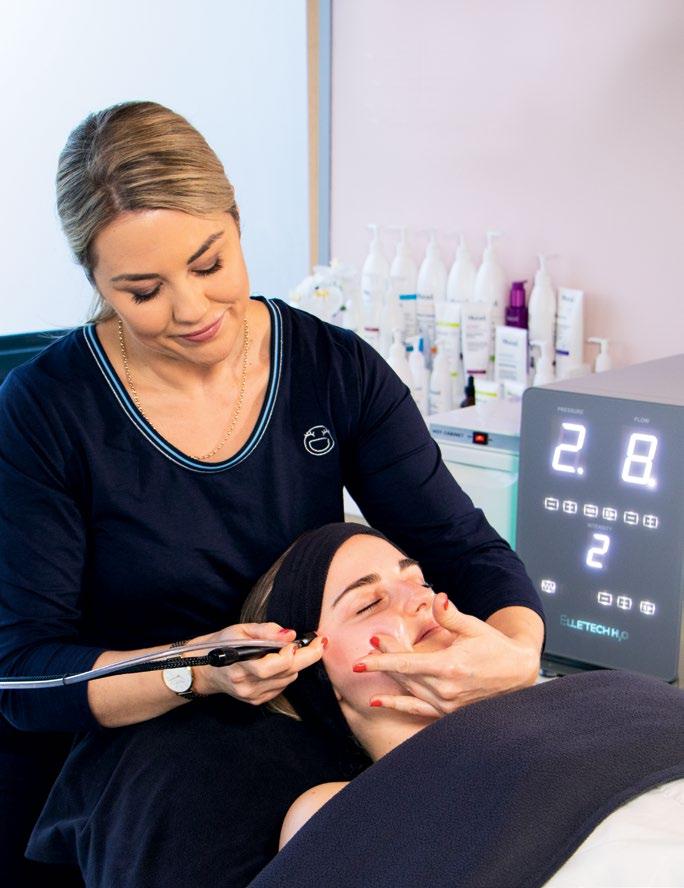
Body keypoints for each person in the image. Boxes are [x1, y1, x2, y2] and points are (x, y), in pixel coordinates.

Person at [0, 100, 544, 886]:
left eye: (209, 264)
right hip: (132, 762)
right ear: (97, 282)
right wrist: (194, 669)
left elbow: (463, 548)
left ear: (236, 222)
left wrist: (516, 656)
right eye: (143, 291)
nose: (191, 310)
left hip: (296, 727)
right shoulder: (47, 412)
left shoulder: (333, 370)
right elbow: (23, 674)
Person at [242, 522, 684, 888]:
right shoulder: (327, 808)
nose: (421, 599)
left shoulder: (596, 702)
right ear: (313, 672)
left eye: (420, 582)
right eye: (370, 603)